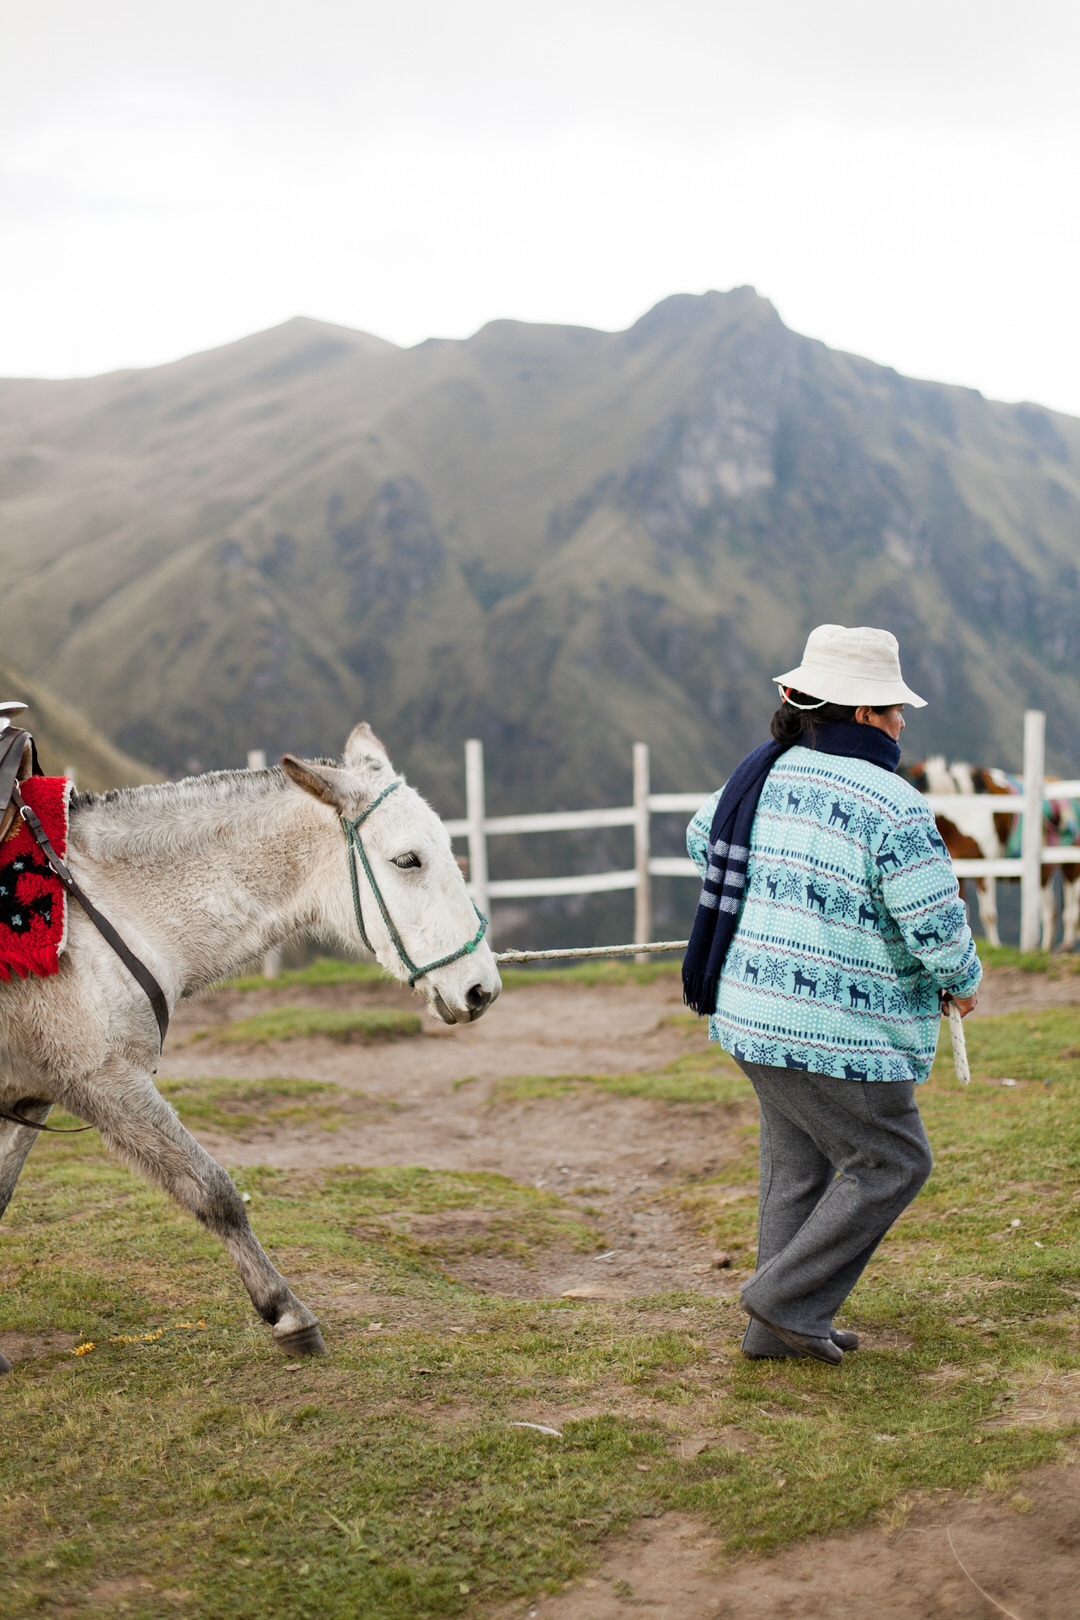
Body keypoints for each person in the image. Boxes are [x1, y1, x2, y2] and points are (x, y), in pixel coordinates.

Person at [684, 624, 980, 1365]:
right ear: (860, 715)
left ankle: (776, 1331)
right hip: (836, 1033)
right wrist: (962, 981)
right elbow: (934, 920)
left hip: (751, 1013)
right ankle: (783, 1300)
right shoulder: (893, 803)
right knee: (892, 1161)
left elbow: (702, 836)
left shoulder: (762, 774)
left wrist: (779, 896)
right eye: (891, 708)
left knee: (799, 1167)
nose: (902, 720)